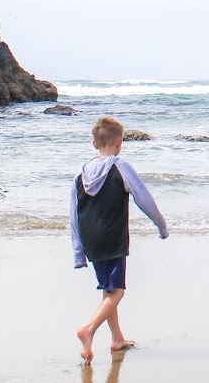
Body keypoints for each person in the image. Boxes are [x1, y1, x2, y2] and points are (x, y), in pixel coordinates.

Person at [71, 115, 169, 362]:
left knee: (108, 288)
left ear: (94, 143)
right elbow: (143, 198)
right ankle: (89, 330)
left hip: (91, 239)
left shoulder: (80, 174)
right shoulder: (121, 167)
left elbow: (73, 214)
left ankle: (117, 339)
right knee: (117, 292)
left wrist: (78, 252)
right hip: (113, 238)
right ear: (119, 143)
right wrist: (161, 225)